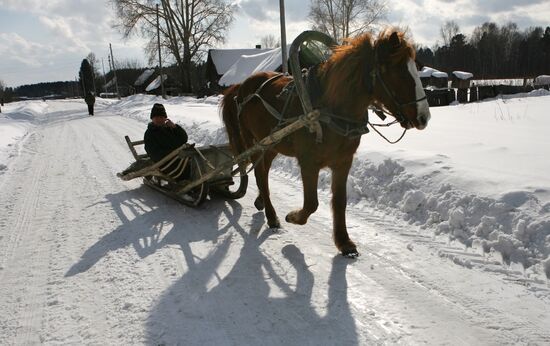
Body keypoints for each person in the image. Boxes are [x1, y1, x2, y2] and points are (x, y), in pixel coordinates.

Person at [144, 103, 190, 181]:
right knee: (187, 169)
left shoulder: (170, 129)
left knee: (196, 161)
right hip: (164, 163)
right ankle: (186, 183)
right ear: (152, 119)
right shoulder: (150, 133)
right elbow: (153, 153)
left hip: (178, 158)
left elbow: (184, 139)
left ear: (165, 118)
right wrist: (174, 153)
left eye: (161, 117)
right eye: (156, 117)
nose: (159, 120)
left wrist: (175, 127)